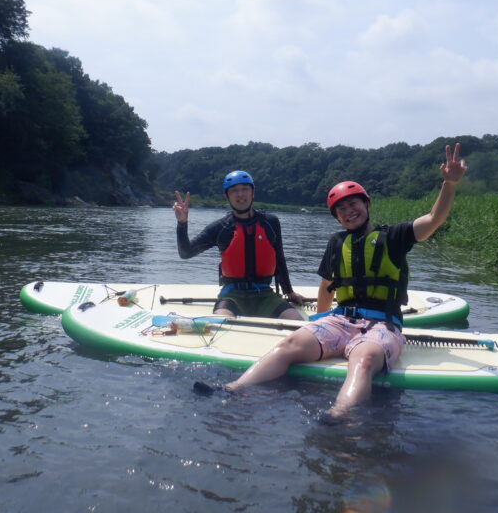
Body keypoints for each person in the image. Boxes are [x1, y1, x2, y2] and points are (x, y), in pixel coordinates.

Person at [198, 144, 467, 420]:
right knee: (288, 345)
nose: (349, 211)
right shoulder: (336, 243)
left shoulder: (395, 236)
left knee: (362, 360)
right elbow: (327, 286)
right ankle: (233, 389)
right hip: (340, 322)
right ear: (337, 217)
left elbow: (434, 220)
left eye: (353, 204)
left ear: (367, 204)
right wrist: (320, 321)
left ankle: (340, 413)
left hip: (383, 323)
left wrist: (448, 183)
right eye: (341, 209)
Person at [173, 170, 305, 320]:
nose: (240, 194)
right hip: (232, 297)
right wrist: (182, 224)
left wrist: (289, 292)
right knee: (220, 324)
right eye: (234, 190)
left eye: (245, 189)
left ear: (253, 192)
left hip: (265, 295)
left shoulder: (270, 222)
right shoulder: (220, 228)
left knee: (297, 323)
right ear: (226, 196)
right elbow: (186, 253)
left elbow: (279, 259)